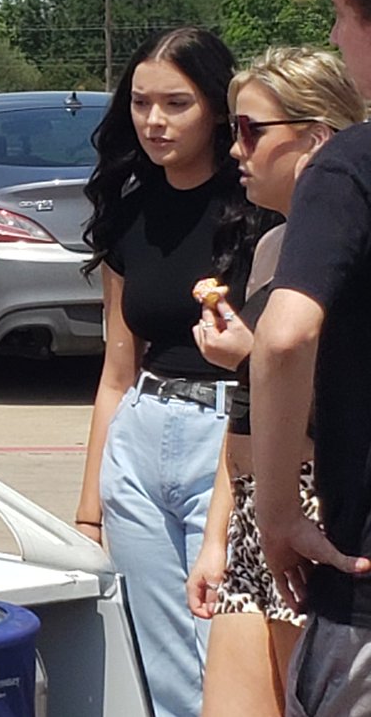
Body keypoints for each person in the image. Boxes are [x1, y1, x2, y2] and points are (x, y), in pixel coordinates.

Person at [75, 26, 261, 717]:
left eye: (176, 103)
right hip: (142, 432)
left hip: (231, 433)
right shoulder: (129, 205)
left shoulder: (259, 206)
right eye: (141, 102)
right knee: (160, 661)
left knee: (228, 646)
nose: (154, 121)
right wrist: (88, 511)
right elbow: (116, 371)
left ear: (217, 105)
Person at [184, 47, 365, 717]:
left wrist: (250, 354)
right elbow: (249, 412)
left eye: (251, 130)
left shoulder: (351, 249)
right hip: (259, 510)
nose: (235, 149)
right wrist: (216, 537)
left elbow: (335, 390)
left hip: (316, 510)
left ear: (317, 136)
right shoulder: (271, 248)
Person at [251, 0, 371, 717]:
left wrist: (278, 507)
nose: (333, 35)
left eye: (338, 11)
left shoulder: (349, 167)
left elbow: (286, 337)